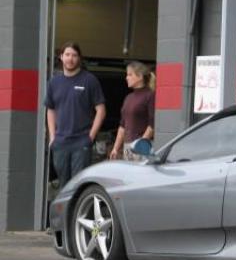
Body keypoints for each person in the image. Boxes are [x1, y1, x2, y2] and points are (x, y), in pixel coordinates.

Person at [45, 41, 106, 187]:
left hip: (81, 142)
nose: (70, 58)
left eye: (74, 55)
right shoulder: (54, 82)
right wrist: (53, 136)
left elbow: (101, 110)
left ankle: (77, 210)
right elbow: (50, 109)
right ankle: (66, 211)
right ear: (61, 57)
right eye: (67, 54)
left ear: (79, 58)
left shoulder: (89, 80)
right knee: (63, 185)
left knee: (78, 185)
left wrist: (90, 136)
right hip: (60, 143)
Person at [109, 61, 155, 161]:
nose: (126, 77)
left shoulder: (150, 95)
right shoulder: (128, 98)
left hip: (142, 146)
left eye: (130, 74)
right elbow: (122, 126)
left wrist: (141, 144)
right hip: (127, 146)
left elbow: (152, 124)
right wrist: (115, 148)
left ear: (140, 77)